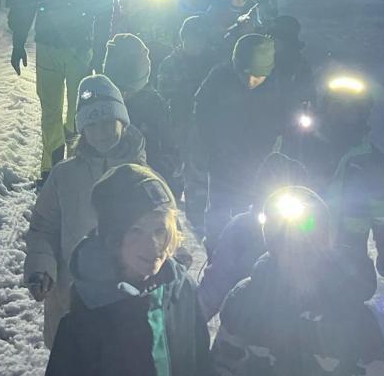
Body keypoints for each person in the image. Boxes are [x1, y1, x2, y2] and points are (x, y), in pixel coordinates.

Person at [199, 185, 384, 376]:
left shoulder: (351, 313)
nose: (300, 251)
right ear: (272, 245)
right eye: (287, 242)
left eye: (310, 240)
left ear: (326, 242)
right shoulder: (248, 302)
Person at [44, 163, 208, 376]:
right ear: (113, 237)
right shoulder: (87, 319)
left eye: (160, 230)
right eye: (136, 231)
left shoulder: (182, 293)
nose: (153, 245)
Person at [24, 75, 146, 347]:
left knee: (121, 362)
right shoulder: (64, 176)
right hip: (72, 297)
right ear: (82, 129)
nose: (101, 132)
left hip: (126, 298)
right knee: (73, 364)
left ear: (123, 121)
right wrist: (42, 267)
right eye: (92, 124)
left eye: (108, 122)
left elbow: (164, 229)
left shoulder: (141, 177)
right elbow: (43, 227)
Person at [10, 0, 114, 180]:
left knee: (78, 112)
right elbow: (25, 5)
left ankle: (77, 161)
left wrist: (100, 52)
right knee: (50, 111)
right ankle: (52, 169)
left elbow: (105, 14)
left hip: (80, 50)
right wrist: (18, 42)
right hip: (48, 47)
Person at [280, 74, 384, 283]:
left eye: (351, 109)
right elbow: (277, 184)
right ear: (325, 108)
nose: (344, 114)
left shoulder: (371, 158)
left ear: (362, 113)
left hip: (349, 249)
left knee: (355, 292)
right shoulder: (302, 146)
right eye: (337, 106)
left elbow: (381, 206)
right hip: (303, 241)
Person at [193, 33, 285, 251]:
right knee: (218, 212)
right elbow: (202, 114)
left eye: (258, 76)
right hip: (222, 161)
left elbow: (283, 124)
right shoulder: (219, 78)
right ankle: (215, 253)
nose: (251, 82)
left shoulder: (277, 88)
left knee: (253, 215)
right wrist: (210, 147)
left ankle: (250, 253)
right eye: (245, 74)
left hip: (257, 164)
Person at [197, 152, 310, 321]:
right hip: (249, 324)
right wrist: (191, 323)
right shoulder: (242, 228)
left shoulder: (311, 233)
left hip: (300, 326)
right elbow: (215, 285)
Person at [157, 15, 220, 220]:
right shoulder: (171, 63)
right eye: (192, 38)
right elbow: (164, 95)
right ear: (183, 38)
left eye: (200, 39)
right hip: (178, 124)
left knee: (199, 174)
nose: (196, 44)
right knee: (174, 172)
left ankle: (197, 217)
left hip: (205, 127)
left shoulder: (213, 62)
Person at [102, 33, 176, 192]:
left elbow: (169, 152)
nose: (124, 95)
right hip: (106, 186)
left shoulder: (155, 107)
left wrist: (162, 187)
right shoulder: (101, 103)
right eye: (119, 89)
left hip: (144, 186)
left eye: (128, 90)